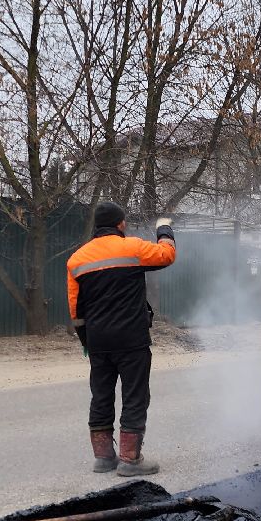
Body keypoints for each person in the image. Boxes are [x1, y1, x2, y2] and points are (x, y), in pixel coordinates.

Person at [67, 202, 177, 475]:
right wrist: (164, 228)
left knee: (101, 395)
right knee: (135, 395)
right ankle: (130, 459)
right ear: (121, 224)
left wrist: (86, 341)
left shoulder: (77, 260)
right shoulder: (133, 248)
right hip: (131, 339)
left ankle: (104, 458)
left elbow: (75, 308)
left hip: (98, 341)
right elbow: (166, 255)